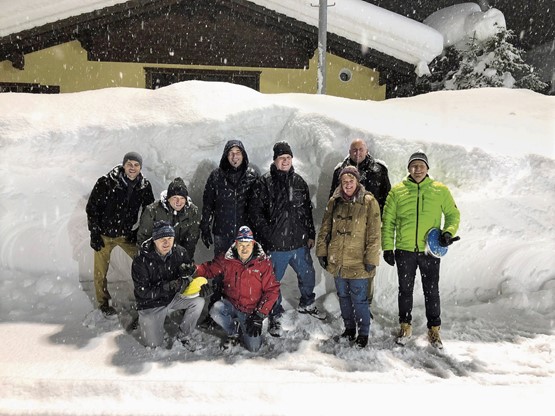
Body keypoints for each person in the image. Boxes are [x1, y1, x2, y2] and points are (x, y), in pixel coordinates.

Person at [381, 151, 460, 349]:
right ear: (408, 168)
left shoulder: (439, 190)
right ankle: (405, 326)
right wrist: (388, 247)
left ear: (427, 168)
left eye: (421, 166)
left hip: (429, 251)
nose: (417, 170)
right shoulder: (397, 191)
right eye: (414, 166)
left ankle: (434, 329)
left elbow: (453, 214)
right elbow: (388, 222)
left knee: (431, 291)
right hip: (404, 251)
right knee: (405, 291)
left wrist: (448, 233)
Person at [249, 141, 325, 337]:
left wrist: (310, 234)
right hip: (276, 247)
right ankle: (275, 315)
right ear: (275, 160)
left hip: (299, 243)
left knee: (308, 276)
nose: (285, 161)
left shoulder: (299, 183)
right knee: (272, 284)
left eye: (288, 158)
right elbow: (256, 215)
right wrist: (269, 237)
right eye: (282, 158)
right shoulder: (264, 183)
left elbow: (306, 211)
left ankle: (307, 303)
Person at [316, 166, 381, 348]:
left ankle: (364, 333)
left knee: (359, 299)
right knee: (343, 297)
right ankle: (349, 329)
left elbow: (375, 234)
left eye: (351, 181)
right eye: (344, 181)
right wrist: (322, 251)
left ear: (357, 181)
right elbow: (325, 229)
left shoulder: (369, 202)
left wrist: (371, 259)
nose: (347, 184)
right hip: (338, 261)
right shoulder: (334, 201)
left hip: (359, 262)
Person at [86, 151, 155, 317]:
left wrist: (138, 231)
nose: (132, 168)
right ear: (124, 165)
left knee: (146, 261)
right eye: (129, 164)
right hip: (103, 234)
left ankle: (148, 299)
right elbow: (92, 208)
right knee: (100, 272)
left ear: (140, 167)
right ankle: (103, 304)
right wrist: (94, 233)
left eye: (136, 165)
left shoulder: (144, 186)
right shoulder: (106, 182)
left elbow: (149, 211)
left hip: (126, 235)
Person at [193, 226, 280, 352]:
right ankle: (233, 332)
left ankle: (262, 321)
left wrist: (259, 315)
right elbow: (209, 269)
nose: (244, 249)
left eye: (247, 245)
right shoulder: (227, 259)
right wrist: (194, 269)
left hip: (253, 310)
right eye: (241, 245)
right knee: (216, 309)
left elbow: (272, 290)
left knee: (253, 348)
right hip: (233, 304)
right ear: (236, 244)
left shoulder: (263, 263)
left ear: (253, 244)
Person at [329, 139, 391, 306]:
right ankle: (347, 302)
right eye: (354, 149)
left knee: (368, 265)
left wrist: (380, 221)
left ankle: (365, 303)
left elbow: (387, 197)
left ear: (367, 150)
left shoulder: (379, 169)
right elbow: (333, 199)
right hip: (345, 228)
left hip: (369, 227)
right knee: (345, 262)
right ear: (349, 151)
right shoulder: (339, 171)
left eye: (360, 149)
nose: (357, 153)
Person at [131, 220, 205, 350]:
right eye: (162, 239)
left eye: (170, 238)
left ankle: (184, 336)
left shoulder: (180, 252)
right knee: (154, 344)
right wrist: (167, 287)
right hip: (150, 303)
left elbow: (188, 277)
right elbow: (143, 292)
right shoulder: (141, 260)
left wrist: (192, 280)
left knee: (198, 301)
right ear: (154, 240)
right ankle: (144, 319)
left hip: (172, 298)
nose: (167, 242)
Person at [200, 139, 259, 256]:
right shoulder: (216, 176)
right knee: (221, 268)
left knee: (243, 269)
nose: (234, 156)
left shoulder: (252, 176)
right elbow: (208, 204)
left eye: (238, 152)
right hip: (222, 232)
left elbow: (259, 206)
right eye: (231, 152)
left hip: (245, 235)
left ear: (243, 155)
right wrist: (205, 226)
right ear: (226, 155)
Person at [137, 177, 200, 261]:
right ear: (168, 198)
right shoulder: (153, 210)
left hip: (177, 255)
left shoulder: (192, 212)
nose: (178, 202)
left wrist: (185, 260)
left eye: (182, 198)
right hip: (156, 254)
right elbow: (144, 238)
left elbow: (191, 240)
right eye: (175, 198)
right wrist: (150, 258)